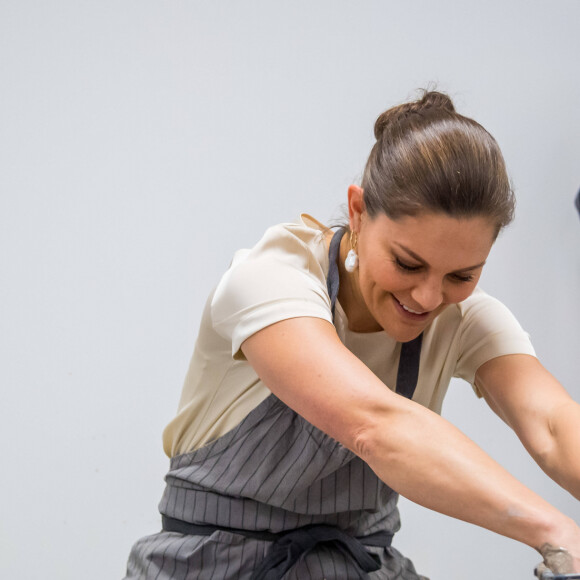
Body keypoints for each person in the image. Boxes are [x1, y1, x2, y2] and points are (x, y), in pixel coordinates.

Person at [123, 90, 580, 579]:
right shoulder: (272, 278)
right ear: (358, 213)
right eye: (408, 263)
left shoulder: (462, 318)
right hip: (213, 567)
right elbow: (376, 427)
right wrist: (558, 532)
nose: (428, 297)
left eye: (461, 276)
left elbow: (552, 426)